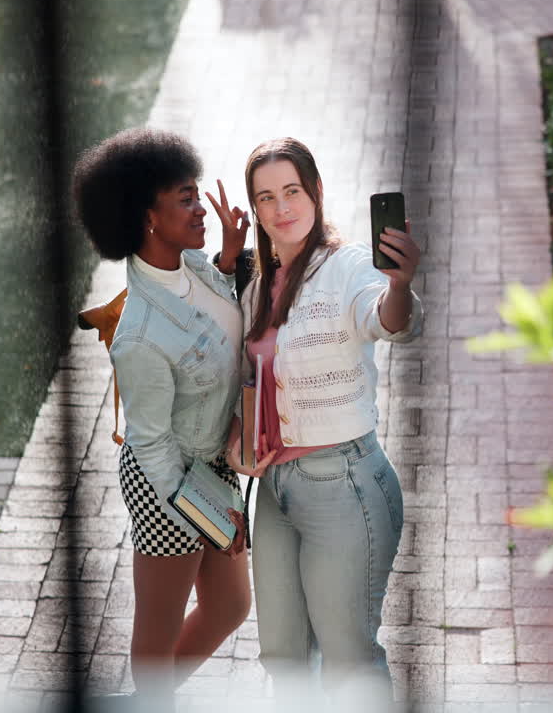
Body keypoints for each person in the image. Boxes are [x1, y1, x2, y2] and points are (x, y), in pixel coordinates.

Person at [225, 137, 423, 705]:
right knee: (283, 659)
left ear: (315, 192)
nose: (281, 207)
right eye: (266, 197)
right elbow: (252, 381)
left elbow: (388, 319)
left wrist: (401, 285)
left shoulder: (350, 266)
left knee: (348, 661)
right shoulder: (259, 287)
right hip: (275, 493)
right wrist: (240, 442)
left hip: (345, 486)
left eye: (291, 191)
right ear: (256, 209)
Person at [70, 127, 252, 702]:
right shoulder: (140, 338)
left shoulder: (192, 263)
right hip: (167, 487)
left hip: (209, 461)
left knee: (230, 605)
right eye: (184, 198)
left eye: (195, 193)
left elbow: (215, 303)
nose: (200, 208)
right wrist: (209, 517)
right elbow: (150, 450)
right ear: (146, 217)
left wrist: (226, 255)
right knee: (159, 626)